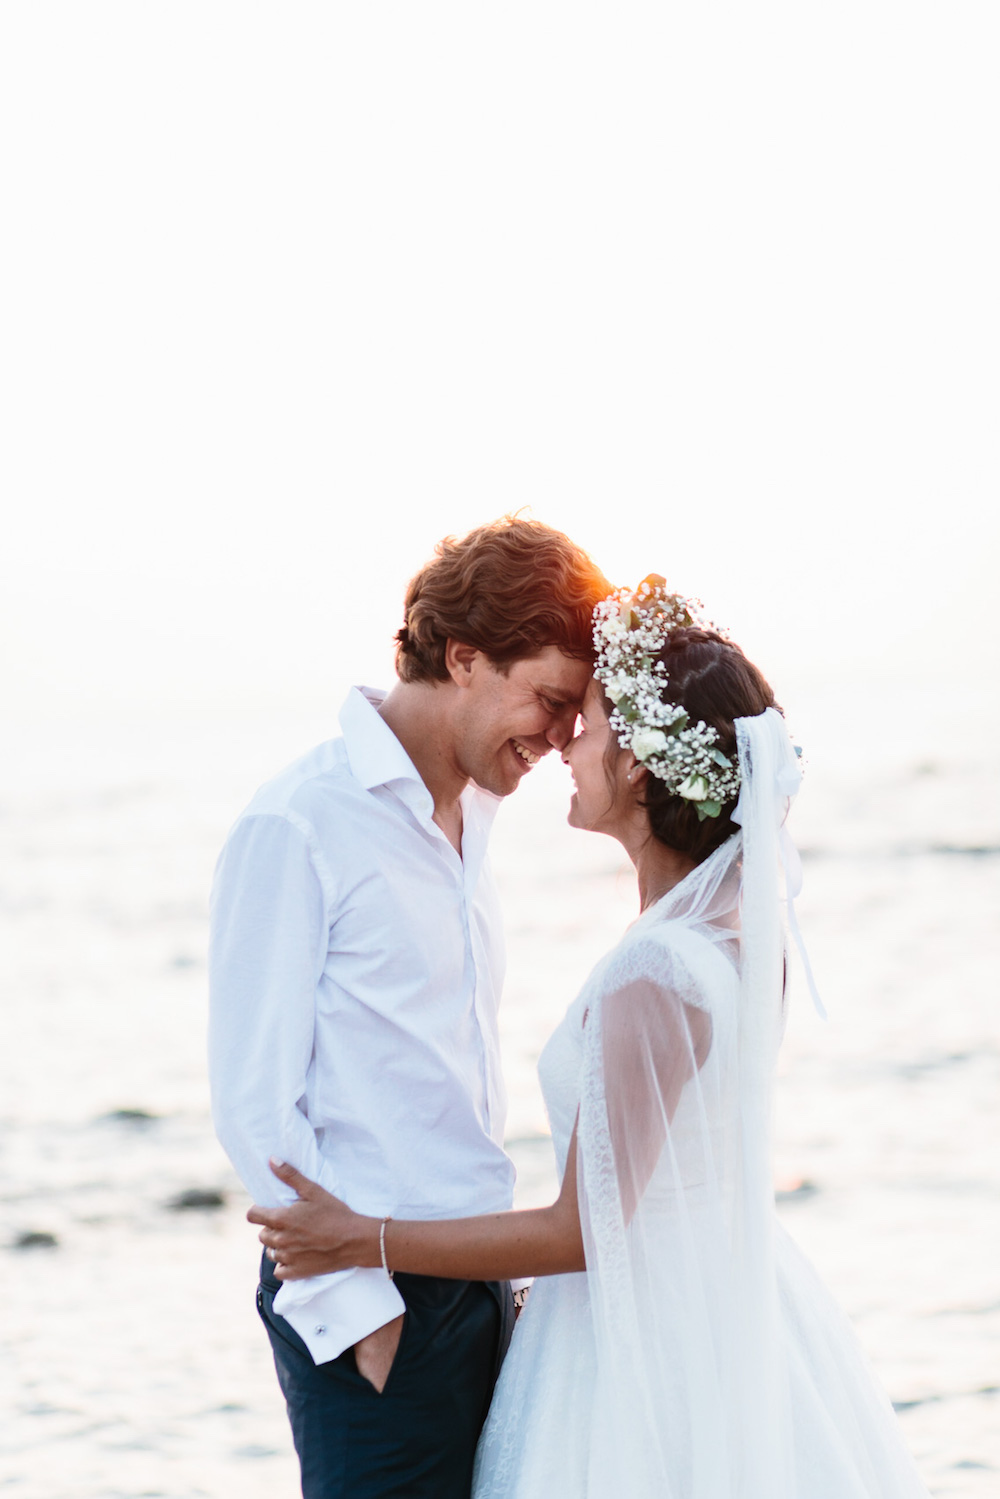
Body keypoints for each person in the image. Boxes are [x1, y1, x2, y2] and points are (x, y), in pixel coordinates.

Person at [250, 578, 932, 1498]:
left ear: (643, 767)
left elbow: (582, 1231)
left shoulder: (654, 972)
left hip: (632, 1346)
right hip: (720, 1306)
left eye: (593, 723)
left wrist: (360, 1239)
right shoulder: (734, 941)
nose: (569, 741)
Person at [208, 516, 611, 1499]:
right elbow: (253, 1104)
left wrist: (491, 1295)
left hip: (481, 1289)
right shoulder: (301, 820)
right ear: (466, 658)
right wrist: (359, 1314)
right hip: (371, 1301)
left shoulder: (471, 816)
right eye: (549, 701)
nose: (561, 739)